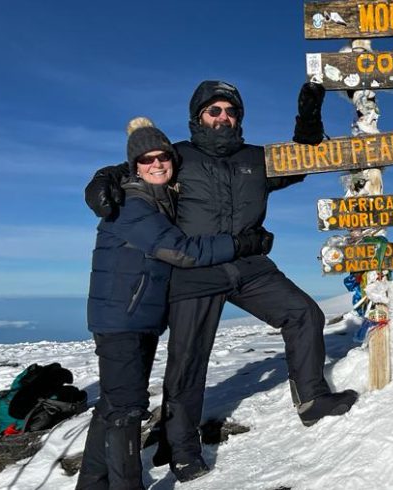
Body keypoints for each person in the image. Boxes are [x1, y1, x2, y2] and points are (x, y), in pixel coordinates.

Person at [84, 82, 356, 483]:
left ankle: (312, 398)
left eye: (230, 110)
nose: (223, 117)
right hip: (195, 270)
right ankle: (182, 450)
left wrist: (309, 119)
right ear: (198, 116)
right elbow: (142, 164)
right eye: (214, 110)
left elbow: (302, 160)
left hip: (248, 263)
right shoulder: (180, 155)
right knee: (188, 362)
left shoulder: (256, 159)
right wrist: (103, 177)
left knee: (304, 313)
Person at [77, 118, 272, 489]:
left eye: (162, 156)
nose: (156, 163)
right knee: (127, 410)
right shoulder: (131, 204)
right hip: (121, 321)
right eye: (146, 159)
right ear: (134, 166)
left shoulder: (161, 199)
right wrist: (242, 244)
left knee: (113, 404)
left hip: (139, 319)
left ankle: (92, 483)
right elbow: (182, 251)